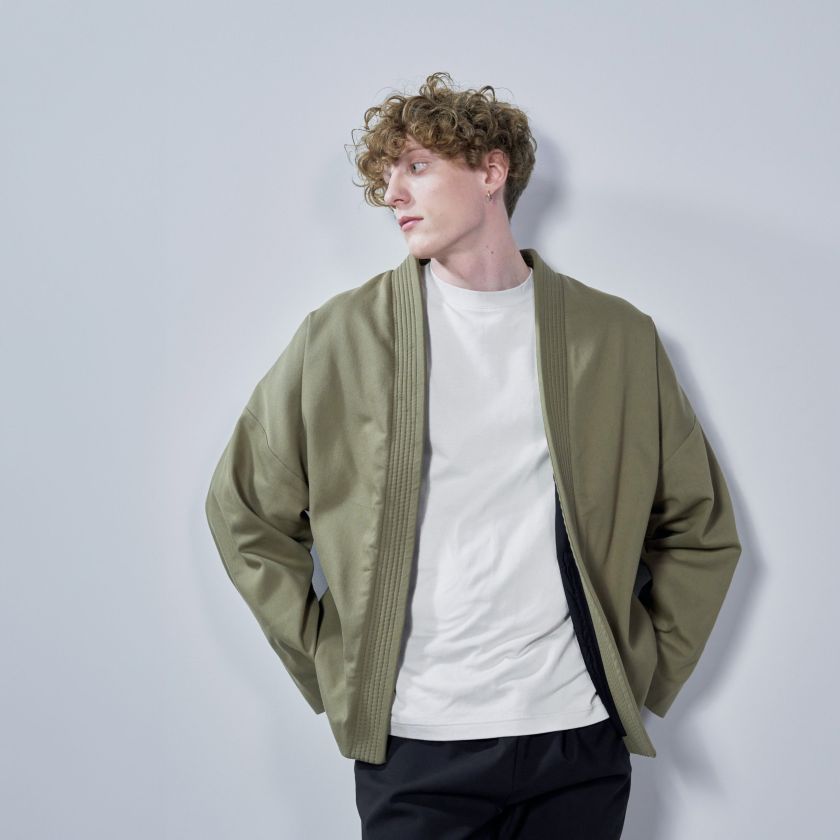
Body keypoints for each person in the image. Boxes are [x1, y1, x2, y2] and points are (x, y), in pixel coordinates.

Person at [204, 72, 742, 839]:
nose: (393, 193)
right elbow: (244, 511)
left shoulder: (616, 337)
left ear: (492, 172)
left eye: (417, 165)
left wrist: (641, 670)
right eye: (387, 174)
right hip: (416, 742)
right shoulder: (341, 337)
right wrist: (332, 659)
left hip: (577, 735)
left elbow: (699, 527)